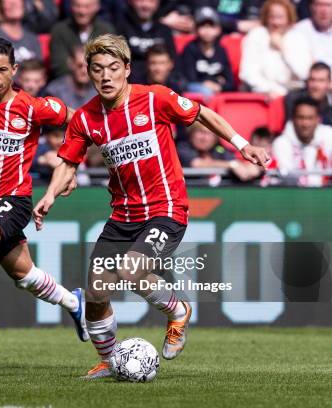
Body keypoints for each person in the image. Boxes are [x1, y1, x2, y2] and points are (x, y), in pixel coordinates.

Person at [33, 34, 269, 379]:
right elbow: (68, 161)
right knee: (97, 291)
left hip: (166, 208)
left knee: (131, 268)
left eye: (114, 68)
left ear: (127, 69)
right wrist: (50, 194)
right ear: (89, 73)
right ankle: (110, 360)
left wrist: (241, 145)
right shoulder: (85, 119)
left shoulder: (154, 98)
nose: (106, 76)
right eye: (98, 69)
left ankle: (177, 311)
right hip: (122, 215)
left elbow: (202, 114)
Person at [0, 37, 88, 350]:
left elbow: (82, 121)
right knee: (25, 276)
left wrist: (71, 164)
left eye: (1, 70)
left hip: (14, 200)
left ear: (14, 70)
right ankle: (75, 303)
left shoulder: (34, 108)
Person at [240, 0, 311, 98]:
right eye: (272, 17)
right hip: (264, 93)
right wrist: (272, 90)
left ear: (289, 18)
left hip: (293, 95)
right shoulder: (256, 35)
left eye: (280, 17)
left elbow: (303, 73)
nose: (276, 22)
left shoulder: (298, 38)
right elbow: (247, 74)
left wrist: (283, 49)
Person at [113, 0, 177, 85]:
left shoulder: (165, 30)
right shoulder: (119, 27)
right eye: (141, 0)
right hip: (128, 85)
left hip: (162, 85)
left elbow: (174, 64)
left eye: (151, 1)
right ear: (131, 1)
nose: (146, 5)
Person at [273, 96, 332, 186]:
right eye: (301, 118)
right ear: (293, 119)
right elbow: (287, 179)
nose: (305, 124)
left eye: (310, 118)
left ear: (318, 119)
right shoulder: (281, 143)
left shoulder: (329, 136)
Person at [50, 0, 115, 79]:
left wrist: (73, 63)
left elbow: (110, 64)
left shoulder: (106, 31)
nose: (82, 11)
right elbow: (60, 66)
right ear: (71, 6)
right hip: (68, 84)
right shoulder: (59, 31)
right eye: (77, 6)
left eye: (87, 7)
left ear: (97, 7)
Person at [177, 124, 262, 182]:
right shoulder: (183, 147)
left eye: (209, 134)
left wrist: (251, 167)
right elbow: (197, 164)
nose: (204, 138)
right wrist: (231, 165)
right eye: (201, 132)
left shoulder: (218, 149)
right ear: (191, 133)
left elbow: (235, 162)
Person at [181, 7, 234, 96]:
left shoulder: (221, 50)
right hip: (196, 94)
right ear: (196, 29)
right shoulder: (190, 49)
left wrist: (219, 86)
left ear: (218, 29)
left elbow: (230, 82)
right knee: (206, 92)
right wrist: (213, 82)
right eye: (203, 26)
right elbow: (189, 78)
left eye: (211, 26)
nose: (207, 30)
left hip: (217, 90)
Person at [289, 0, 332, 68]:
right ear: (311, 7)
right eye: (320, 5)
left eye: (328, 5)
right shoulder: (298, 31)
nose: (324, 11)